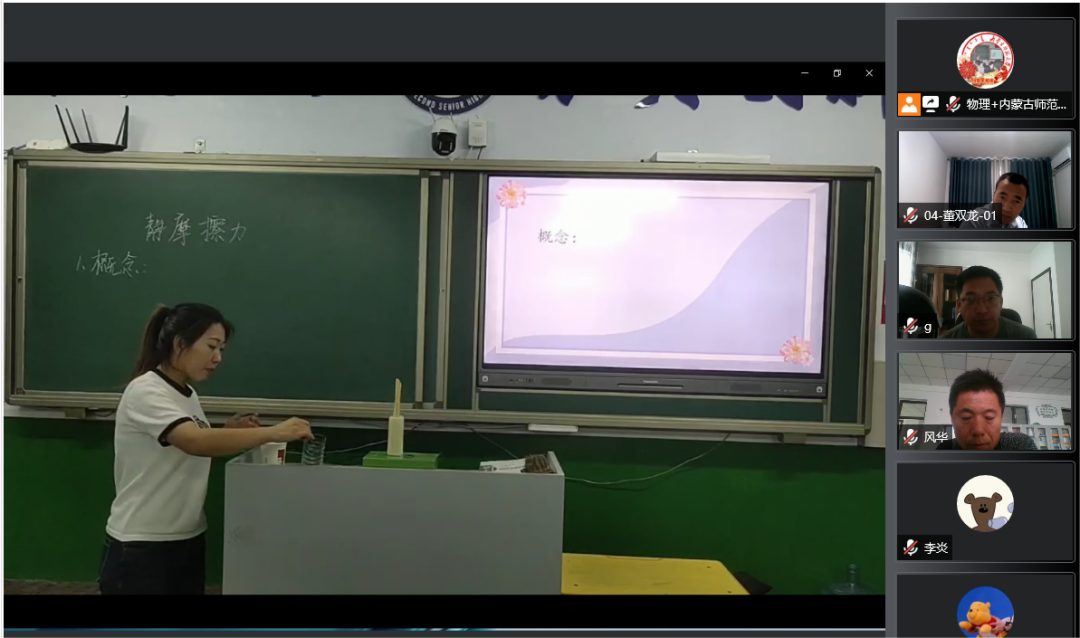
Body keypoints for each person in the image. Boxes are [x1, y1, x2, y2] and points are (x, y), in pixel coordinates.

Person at [99, 303, 314, 595]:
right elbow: (194, 442)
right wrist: (274, 432)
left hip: (187, 537)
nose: (217, 358)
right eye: (212, 346)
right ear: (180, 343)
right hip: (142, 545)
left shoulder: (187, 394)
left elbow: (189, 450)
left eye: (221, 349)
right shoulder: (146, 390)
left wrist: (228, 433)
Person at [936, 368, 1037, 450]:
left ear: (1001, 418)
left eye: (989, 417)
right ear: (952, 418)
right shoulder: (945, 449)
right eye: (966, 417)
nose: (978, 430)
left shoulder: (1018, 445)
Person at [938, 266, 1037, 339]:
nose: (982, 310)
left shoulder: (1026, 337)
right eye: (971, 299)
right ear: (959, 305)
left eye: (990, 298)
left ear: (1001, 302)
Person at [960, 173, 1030, 229]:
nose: (1006, 208)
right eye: (1002, 197)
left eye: (1016, 201)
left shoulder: (1021, 224)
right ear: (994, 195)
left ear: (1024, 204)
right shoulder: (974, 220)